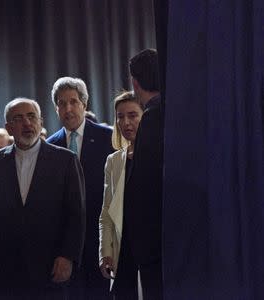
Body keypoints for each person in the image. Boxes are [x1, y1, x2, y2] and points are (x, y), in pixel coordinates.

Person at [0, 97, 86, 299]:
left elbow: (76, 214)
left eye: (32, 117)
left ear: (41, 122)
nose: (27, 123)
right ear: (9, 128)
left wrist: (68, 256)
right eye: (19, 119)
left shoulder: (65, 160)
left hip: (49, 268)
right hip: (1, 271)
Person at [47, 76, 113, 300]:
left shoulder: (109, 138)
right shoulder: (49, 147)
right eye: (62, 103)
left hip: (102, 240)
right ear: (56, 109)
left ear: (84, 105)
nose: (68, 108)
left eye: (73, 102)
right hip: (66, 248)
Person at [123, 48, 163, 299]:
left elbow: (146, 188)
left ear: (135, 83)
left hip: (157, 244)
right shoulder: (184, 111)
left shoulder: (152, 119)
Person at [98, 91, 144, 299]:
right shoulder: (114, 161)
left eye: (133, 115)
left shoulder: (160, 155)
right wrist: (104, 252)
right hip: (122, 250)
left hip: (150, 250)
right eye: (120, 116)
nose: (126, 122)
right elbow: (106, 212)